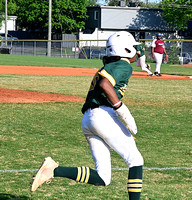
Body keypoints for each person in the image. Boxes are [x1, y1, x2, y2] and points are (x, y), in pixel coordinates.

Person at [30, 31, 144, 200]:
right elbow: (105, 84)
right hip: (103, 116)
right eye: (134, 47)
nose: (137, 50)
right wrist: (122, 110)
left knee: (103, 178)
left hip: (90, 119)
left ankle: (53, 170)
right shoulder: (123, 65)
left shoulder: (110, 65)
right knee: (135, 160)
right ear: (126, 50)